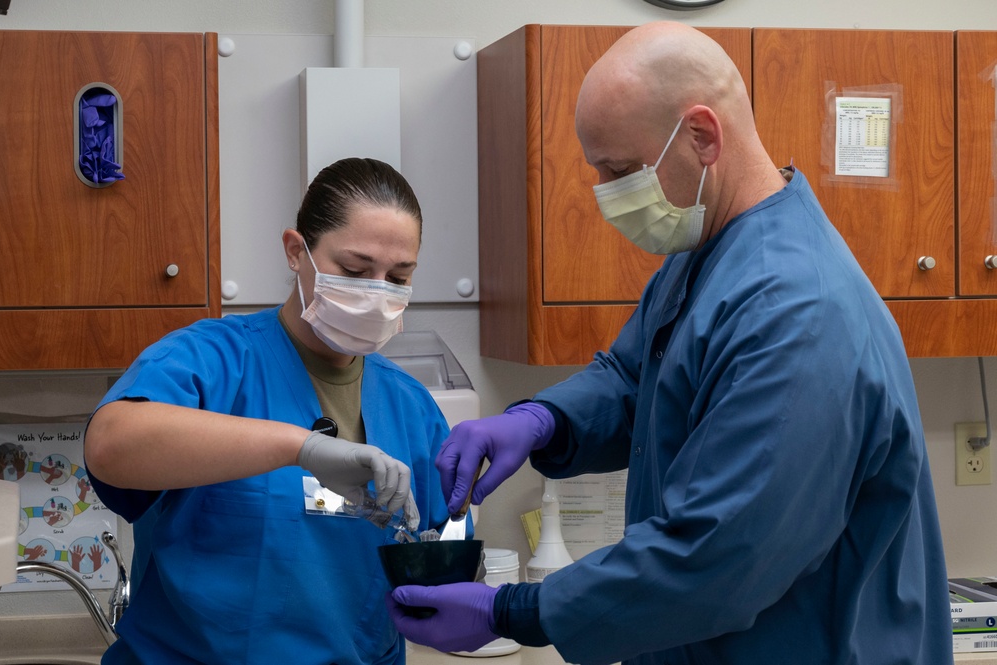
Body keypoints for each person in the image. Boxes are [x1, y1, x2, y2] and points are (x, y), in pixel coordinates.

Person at [386, 22, 953, 665]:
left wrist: (512, 611)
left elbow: (717, 556)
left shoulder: (797, 312)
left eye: (621, 169)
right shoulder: (707, 255)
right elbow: (637, 378)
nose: (605, 194)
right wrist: (542, 421)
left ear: (703, 136)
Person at [84, 157, 453, 664]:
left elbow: (439, 560)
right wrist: (300, 448)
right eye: (355, 270)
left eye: (398, 276)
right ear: (296, 251)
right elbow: (110, 445)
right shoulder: (212, 363)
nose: (376, 292)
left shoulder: (412, 410)